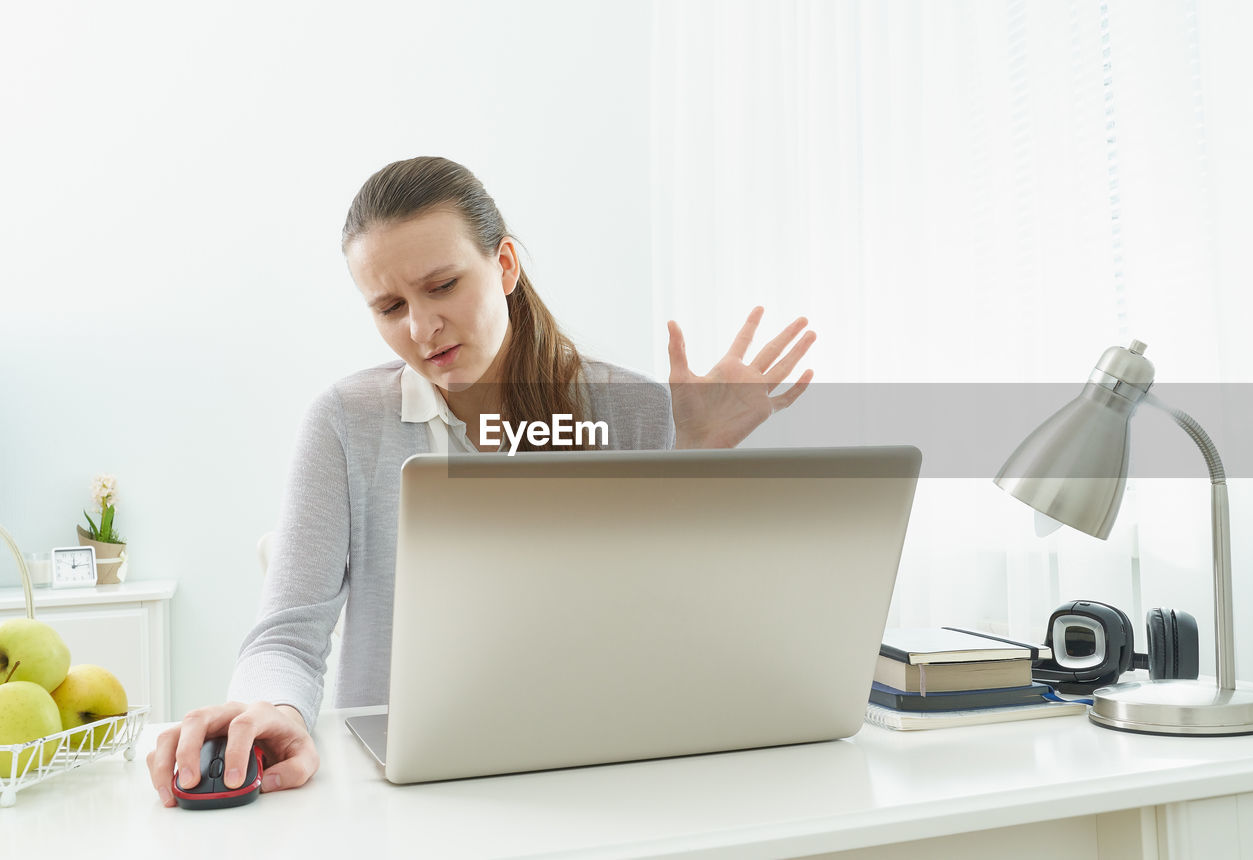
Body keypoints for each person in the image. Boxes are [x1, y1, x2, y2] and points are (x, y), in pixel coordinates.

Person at [146, 156, 815, 804]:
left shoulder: (630, 409)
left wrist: (692, 453)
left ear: (504, 266)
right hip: (402, 793)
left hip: (601, 772)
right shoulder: (346, 422)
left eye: (442, 286)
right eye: (388, 306)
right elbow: (287, 634)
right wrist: (274, 709)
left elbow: (680, 630)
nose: (421, 327)